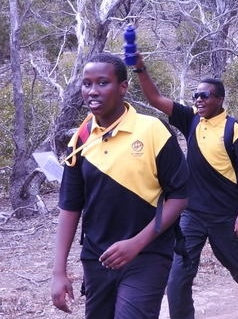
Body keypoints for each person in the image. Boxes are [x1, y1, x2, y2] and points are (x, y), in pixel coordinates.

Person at [131, 53, 238, 319]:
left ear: (219, 99)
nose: (198, 100)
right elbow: (155, 99)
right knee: (177, 277)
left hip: (226, 216)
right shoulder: (191, 119)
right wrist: (140, 68)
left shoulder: (233, 129)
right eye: (196, 95)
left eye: (204, 96)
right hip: (191, 214)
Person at [51, 53, 189, 318]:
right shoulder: (80, 139)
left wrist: (137, 243)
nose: (93, 91)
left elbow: (180, 197)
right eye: (87, 83)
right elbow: (70, 207)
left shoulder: (152, 130)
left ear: (123, 87)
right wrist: (59, 272)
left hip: (148, 254)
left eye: (103, 83)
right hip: (97, 259)